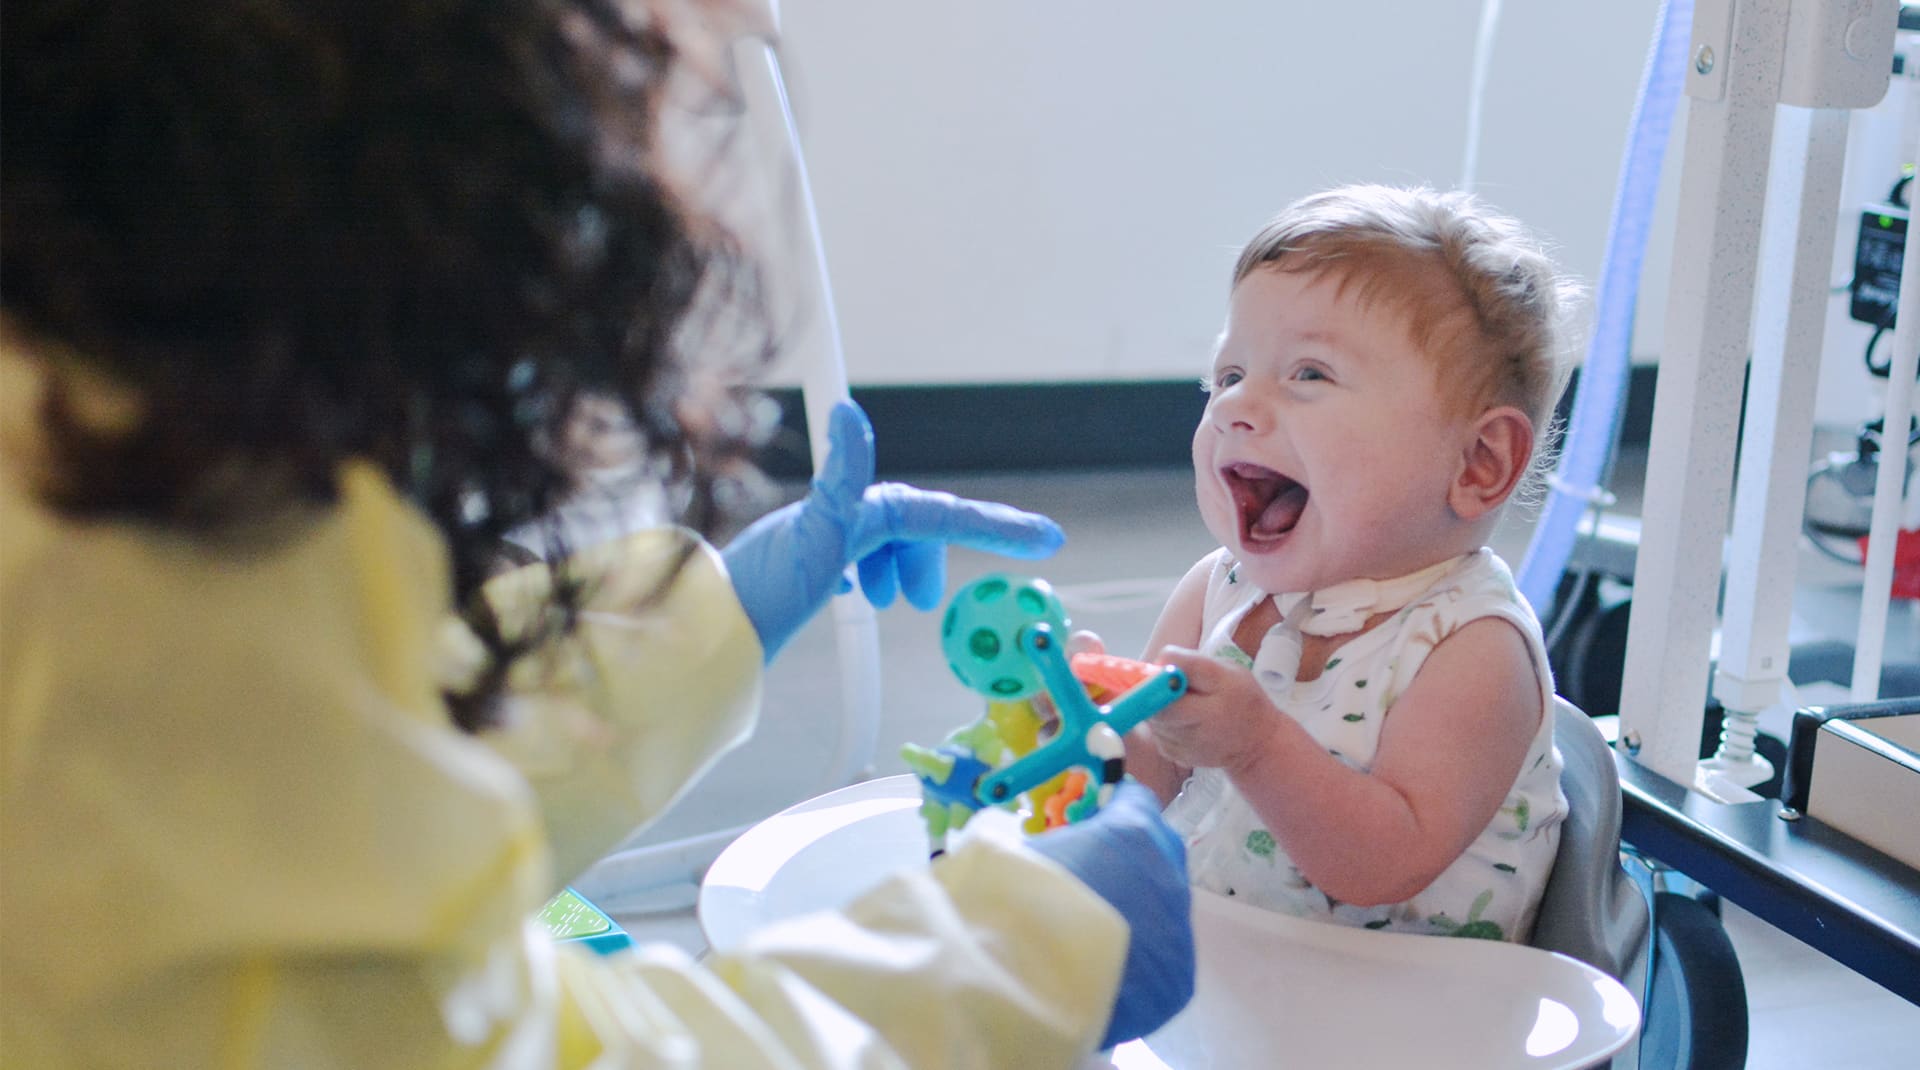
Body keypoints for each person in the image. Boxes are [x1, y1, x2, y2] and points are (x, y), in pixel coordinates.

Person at [0, 2, 1193, 1067]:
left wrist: (710, 617)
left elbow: (300, 774)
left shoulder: (115, 409)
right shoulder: (118, 573)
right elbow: (447, 1036)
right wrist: (1015, 957)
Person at [1121, 185, 1574, 942]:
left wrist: (1257, 745)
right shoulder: (1218, 590)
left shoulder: (1471, 649)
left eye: (1309, 375)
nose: (1235, 406)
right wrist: (1085, 736)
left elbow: (1382, 866)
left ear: (1477, 463)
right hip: (1229, 972)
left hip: (1406, 1016)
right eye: (1229, 375)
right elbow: (1152, 775)